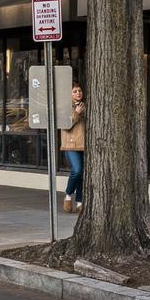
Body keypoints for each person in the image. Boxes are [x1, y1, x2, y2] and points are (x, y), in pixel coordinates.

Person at [61, 83, 86, 213]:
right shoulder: (65, 107)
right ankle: (68, 195)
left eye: (80, 90)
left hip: (84, 146)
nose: (78, 93)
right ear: (70, 94)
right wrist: (76, 113)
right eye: (75, 91)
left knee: (82, 174)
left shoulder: (85, 106)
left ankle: (80, 202)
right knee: (77, 170)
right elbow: (65, 126)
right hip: (70, 145)